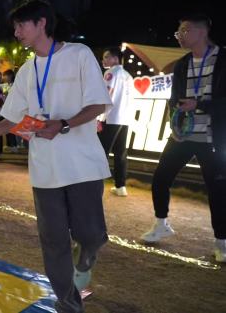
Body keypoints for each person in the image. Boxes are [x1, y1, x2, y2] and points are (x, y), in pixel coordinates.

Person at [0, 0, 112, 313]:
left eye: (20, 25)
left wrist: (64, 124)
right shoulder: (27, 70)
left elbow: (99, 104)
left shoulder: (79, 55)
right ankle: (68, 304)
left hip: (83, 165)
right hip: (45, 169)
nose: (16, 32)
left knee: (91, 235)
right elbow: (11, 120)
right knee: (53, 241)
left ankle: (84, 264)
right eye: (14, 27)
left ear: (42, 23)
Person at [140, 14, 226, 263]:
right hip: (183, 136)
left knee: (217, 190)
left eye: (184, 31)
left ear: (201, 32)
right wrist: (174, 120)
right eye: (178, 32)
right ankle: (161, 223)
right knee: (160, 178)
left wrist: (198, 104)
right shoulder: (181, 64)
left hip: (213, 138)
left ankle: (221, 241)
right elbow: (173, 99)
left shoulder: (223, 60)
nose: (179, 36)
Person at [97, 47, 132, 196]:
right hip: (124, 118)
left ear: (115, 59)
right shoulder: (128, 76)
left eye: (106, 57)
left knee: (101, 151)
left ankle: (96, 184)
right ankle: (120, 186)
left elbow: (107, 95)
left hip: (111, 117)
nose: (104, 60)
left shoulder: (110, 73)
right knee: (120, 152)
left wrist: (99, 117)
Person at [2, 69, 18, 153]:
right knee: (7, 128)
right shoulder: (5, 85)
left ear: (10, 76)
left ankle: (14, 145)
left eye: (6, 76)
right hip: (6, 108)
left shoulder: (15, 85)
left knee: (12, 128)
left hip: (13, 109)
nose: (4, 77)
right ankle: (10, 145)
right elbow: (4, 96)